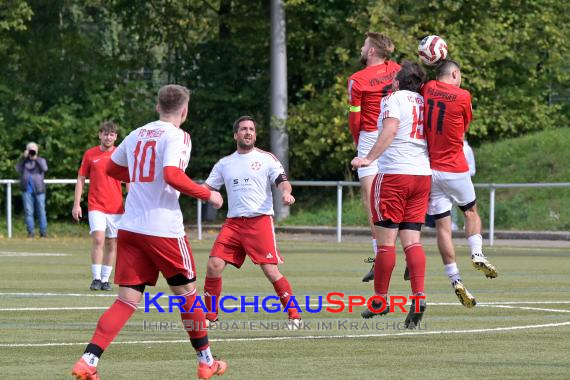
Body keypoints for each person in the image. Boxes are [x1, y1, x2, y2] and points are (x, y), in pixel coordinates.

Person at [72, 85, 227, 380]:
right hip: (163, 230)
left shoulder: (137, 133)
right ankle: (206, 361)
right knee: (189, 297)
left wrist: (143, 177)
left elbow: (113, 170)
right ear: (184, 111)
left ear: (158, 107)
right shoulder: (178, 135)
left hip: (131, 227)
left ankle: (88, 361)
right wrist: (207, 194)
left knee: (126, 300)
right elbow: (172, 175)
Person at [351, 60, 430, 328]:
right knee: (412, 241)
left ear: (397, 82)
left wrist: (368, 158)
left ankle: (379, 300)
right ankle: (418, 297)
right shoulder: (423, 100)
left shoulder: (393, 98)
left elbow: (391, 129)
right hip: (422, 174)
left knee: (386, 242)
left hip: (395, 174)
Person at [202, 116, 301, 326]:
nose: (248, 132)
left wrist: (286, 194)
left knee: (271, 271)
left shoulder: (266, 158)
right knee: (213, 265)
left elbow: (283, 182)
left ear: (255, 135)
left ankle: (294, 315)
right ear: (235, 135)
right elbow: (207, 189)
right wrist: (201, 194)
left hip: (259, 221)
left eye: (252, 129)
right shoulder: (224, 164)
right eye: (244, 129)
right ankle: (210, 316)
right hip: (233, 224)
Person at [423, 59, 498, 309]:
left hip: (430, 169)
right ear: (455, 74)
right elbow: (465, 125)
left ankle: (455, 279)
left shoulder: (426, 88)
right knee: (471, 212)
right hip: (454, 168)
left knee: (443, 228)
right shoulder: (463, 96)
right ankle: (476, 253)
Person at [348, 32, 401, 283]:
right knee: (398, 198)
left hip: (370, 136)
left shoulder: (356, 80)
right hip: (395, 135)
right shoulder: (398, 70)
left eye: (364, 45)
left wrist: (360, 145)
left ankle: (379, 258)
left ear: (371, 51)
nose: (361, 47)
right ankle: (403, 254)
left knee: (372, 202)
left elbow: (354, 118)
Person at [72, 121, 126, 292]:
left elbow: (128, 181)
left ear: (116, 137)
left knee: (112, 242)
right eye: (105, 133)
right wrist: (76, 204)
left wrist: (132, 202)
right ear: (99, 135)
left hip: (116, 207)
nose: (108, 137)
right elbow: (81, 179)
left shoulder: (121, 155)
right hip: (96, 205)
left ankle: (105, 280)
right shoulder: (90, 154)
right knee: (98, 239)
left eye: (111, 134)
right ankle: (95, 278)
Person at [15, 142, 48, 238]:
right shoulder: (24, 162)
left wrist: (36, 159)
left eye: (33, 149)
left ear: (37, 150)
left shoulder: (41, 160)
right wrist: (23, 158)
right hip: (26, 190)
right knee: (28, 212)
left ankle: (43, 233)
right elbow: (17, 169)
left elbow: (45, 168)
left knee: (41, 211)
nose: (32, 151)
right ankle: (31, 233)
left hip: (39, 190)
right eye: (30, 149)